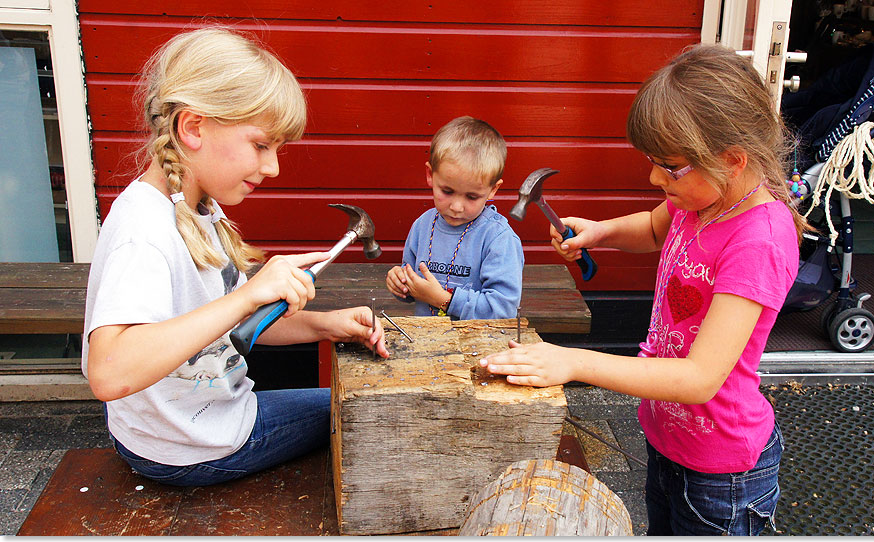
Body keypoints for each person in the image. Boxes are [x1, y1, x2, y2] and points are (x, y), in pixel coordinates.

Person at [480, 45, 807, 536]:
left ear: (733, 160)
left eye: (669, 167)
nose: (654, 178)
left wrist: (572, 361)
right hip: (667, 440)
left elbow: (699, 378)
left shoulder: (758, 241)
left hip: (722, 473)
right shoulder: (702, 201)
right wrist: (600, 232)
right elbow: (655, 229)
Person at [81, 27, 389, 487]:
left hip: (184, 428)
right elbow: (109, 374)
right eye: (261, 145)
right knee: (369, 410)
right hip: (191, 448)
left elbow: (226, 323)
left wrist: (326, 325)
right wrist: (247, 297)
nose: (273, 167)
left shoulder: (194, 206)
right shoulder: (143, 230)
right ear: (193, 127)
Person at [385, 116, 523, 319]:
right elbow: (414, 287)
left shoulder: (498, 238)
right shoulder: (422, 226)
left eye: (472, 196)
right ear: (430, 175)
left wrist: (444, 300)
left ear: (493, 189)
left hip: (482, 347)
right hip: (427, 343)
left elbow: (503, 310)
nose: (457, 207)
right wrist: (401, 284)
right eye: (447, 191)